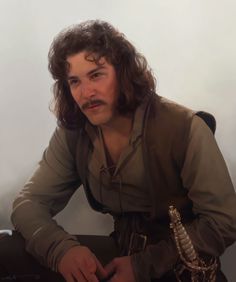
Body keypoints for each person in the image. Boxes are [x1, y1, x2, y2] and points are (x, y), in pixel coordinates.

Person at [1, 20, 236, 282]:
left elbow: (223, 221)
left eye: (96, 75)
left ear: (122, 73)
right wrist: (61, 250)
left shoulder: (184, 127)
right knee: (4, 247)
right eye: (74, 81)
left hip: (178, 267)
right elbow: (28, 204)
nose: (86, 92)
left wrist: (142, 266)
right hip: (118, 255)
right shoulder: (75, 131)